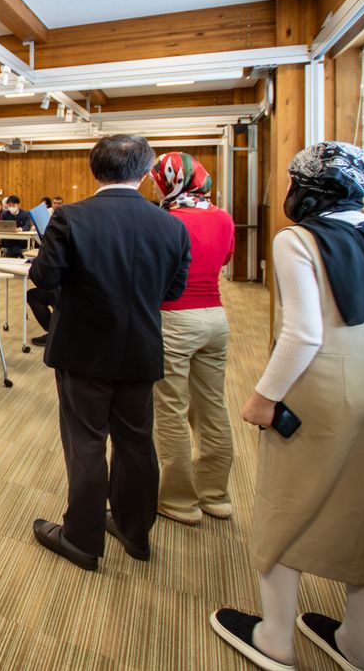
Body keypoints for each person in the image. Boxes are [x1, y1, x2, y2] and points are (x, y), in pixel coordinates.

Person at [211, 142, 364, 671]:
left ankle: (276, 638)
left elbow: (303, 332)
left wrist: (263, 397)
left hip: (324, 380)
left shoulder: (299, 239)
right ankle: (355, 643)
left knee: (287, 504)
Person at [28, 134, 191, 572]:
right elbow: (173, 291)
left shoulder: (70, 218)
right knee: (137, 442)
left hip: (82, 349)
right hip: (141, 347)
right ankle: (134, 532)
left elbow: (44, 278)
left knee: (86, 442)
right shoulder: (173, 225)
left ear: (93, 169)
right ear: (145, 173)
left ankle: (82, 538)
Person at [147, 152, 236, 527]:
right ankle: (215, 495)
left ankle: (180, 501)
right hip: (215, 317)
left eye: (157, 180)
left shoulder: (164, 222)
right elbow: (225, 258)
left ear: (171, 181)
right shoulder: (223, 217)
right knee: (212, 406)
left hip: (174, 318)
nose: (153, 186)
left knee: (171, 407)